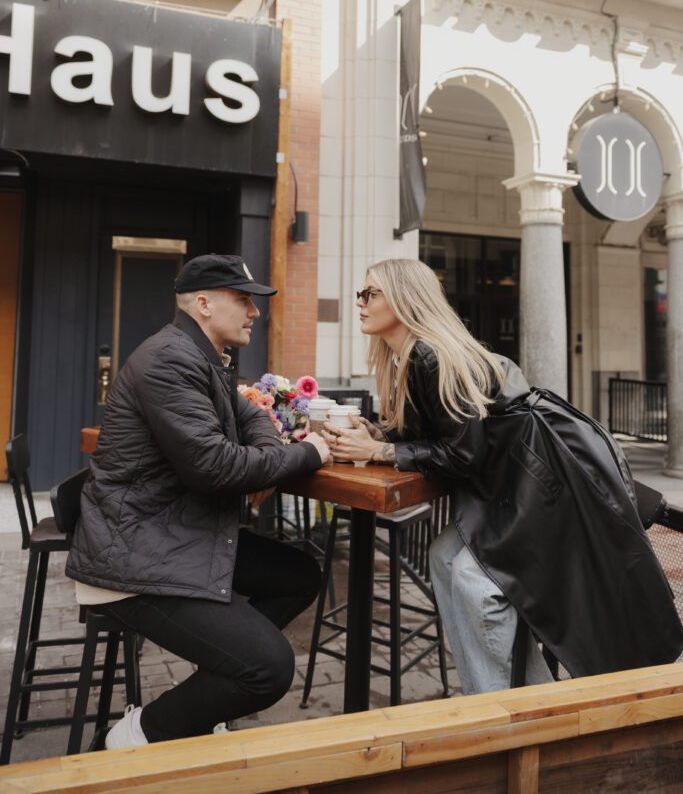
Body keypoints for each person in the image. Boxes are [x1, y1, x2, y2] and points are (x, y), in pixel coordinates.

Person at [323, 257, 683, 694]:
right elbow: (441, 428)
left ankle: (507, 708)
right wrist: (380, 433)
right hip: (506, 485)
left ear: (403, 300)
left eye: (371, 294)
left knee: (476, 585)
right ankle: (513, 698)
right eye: (362, 294)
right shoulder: (411, 354)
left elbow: (463, 454)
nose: (360, 303)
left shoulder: (429, 354)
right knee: (441, 557)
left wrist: (379, 451)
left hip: (534, 482)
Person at [66, 253, 331, 747]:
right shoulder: (169, 359)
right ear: (205, 304)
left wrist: (269, 450)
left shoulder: (204, 359)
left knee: (300, 575)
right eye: (244, 300)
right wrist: (310, 453)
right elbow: (217, 469)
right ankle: (129, 737)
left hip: (177, 535)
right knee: (270, 668)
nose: (255, 312)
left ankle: (214, 679)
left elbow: (254, 418)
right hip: (135, 557)